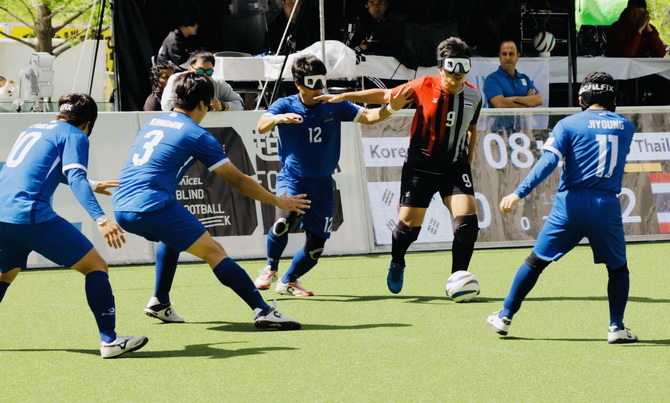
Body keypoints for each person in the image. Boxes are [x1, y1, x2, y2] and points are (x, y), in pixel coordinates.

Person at [112, 72, 310, 330]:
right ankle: (262, 310)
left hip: (121, 205)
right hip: (151, 205)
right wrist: (277, 201)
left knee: (170, 238)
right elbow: (237, 180)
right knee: (214, 252)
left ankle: (160, 302)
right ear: (203, 104)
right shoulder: (197, 134)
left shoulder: (153, 122)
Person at [302, 37, 482, 295]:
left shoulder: (475, 95)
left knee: (467, 225)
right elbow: (386, 95)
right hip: (420, 168)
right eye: (452, 70)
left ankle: (458, 280)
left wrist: (469, 161)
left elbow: (472, 128)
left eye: (463, 70)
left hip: (455, 168)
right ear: (441, 68)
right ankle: (397, 261)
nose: (458, 76)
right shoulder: (423, 86)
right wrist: (343, 96)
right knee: (409, 227)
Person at [486, 72, 638, 344]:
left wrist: (518, 193)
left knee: (536, 261)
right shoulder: (626, 127)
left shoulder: (567, 124)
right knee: (618, 269)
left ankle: (505, 316)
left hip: (570, 204)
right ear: (613, 99)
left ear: (581, 99)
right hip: (606, 205)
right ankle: (616, 327)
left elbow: (548, 162)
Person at [0, 93, 148, 358]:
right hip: (29, 214)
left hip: (3, 214)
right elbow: (75, 176)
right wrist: (101, 219)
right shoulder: (76, 135)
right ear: (89, 123)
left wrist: (93, 184)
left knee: (5, 275)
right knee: (96, 267)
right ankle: (110, 341)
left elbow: (40, 169)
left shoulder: (33, 129)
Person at [253, 54, 412, 296]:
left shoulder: (334, 103)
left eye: (321, 81)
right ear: (298, 84)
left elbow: (370, 117)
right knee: (283, 222)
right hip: (293, 179)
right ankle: (270, 268)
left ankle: (289, 281)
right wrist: (277, 119)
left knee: (316, 247)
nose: (318, 88)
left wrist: (392, 107)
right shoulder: (285, 104)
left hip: (323, 184)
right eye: (312, 83)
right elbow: (261, 124)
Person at [161, 50, 244, 112]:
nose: (204, 75)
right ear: (189, 69)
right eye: (200, 71)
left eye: (209, 72)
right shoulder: (177, 80)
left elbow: (240, 104)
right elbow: (166, 107)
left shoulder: (218, 83)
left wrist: (222, 106)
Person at [484, 40, 542, 109]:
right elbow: (501, 105)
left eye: (511, 54)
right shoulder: (492, 79)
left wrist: (513, 99)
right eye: (504, 54)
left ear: (517, 56)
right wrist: (527, 102)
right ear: (499, 56)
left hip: (523, 117)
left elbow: (539, 99)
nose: (508, 58)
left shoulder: (524, 78)